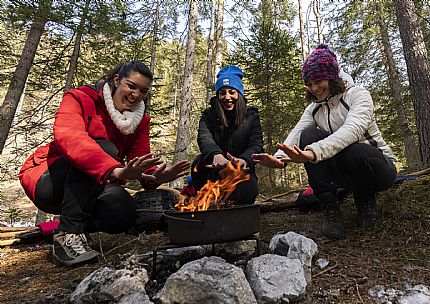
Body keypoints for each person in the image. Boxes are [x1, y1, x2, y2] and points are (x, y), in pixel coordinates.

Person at [19, 61, 190, 266]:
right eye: (131, 86)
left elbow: (140, 156)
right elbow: (71, 140)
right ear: (117, 80)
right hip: (47, 181)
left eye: (143, 91)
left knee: (123, 213)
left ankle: (76, 228)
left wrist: (153, 176)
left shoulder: (140, 120)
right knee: (105, 148)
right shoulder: (80, 98)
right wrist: (115, 170)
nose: (136, 94)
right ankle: (67, 234)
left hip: (95, 183)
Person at [253, 44, 397, 240]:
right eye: (309, 83)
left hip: (378, 168)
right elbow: (297, 133)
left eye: (319, 81)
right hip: (345, 173)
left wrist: (313, 153)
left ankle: (365, 200)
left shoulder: (358, 95)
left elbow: (351, 132)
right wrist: (279, 159)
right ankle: (331, 210)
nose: (314, 88)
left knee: (354, 151)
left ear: (332, 77)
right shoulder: (314, 108)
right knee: (309, 134)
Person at [191, 65, 263, 205]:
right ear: (218, 95)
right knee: (198, 163)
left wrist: (244, 160)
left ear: (239, 94)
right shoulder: (209, 115)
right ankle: (207, 201)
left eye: (232, 92)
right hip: (213, 171)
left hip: (241, 171)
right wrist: (216, 155)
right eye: (222, 93)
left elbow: (256, 144)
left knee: (248, 191)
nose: (227, 97)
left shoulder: (251, 116)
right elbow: (204, 138)